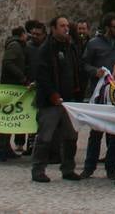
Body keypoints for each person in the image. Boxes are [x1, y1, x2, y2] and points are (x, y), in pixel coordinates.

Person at [31, 15, 84, 183]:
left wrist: (78, 92)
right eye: (62, 25)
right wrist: (52, 94)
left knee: (71, 136)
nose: (66, 28)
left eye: (67, 25)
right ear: (53, 28)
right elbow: (42, 75)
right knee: (45, 136)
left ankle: (68, 168)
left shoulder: (71, 47)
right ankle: (38, 169)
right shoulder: (46, 49)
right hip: (51, 100)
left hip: (69, 100)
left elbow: (77, 70)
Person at [80, 13, 115, 179]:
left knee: (114, 134)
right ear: (107, 27)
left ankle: (111, 168)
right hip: (99, 94)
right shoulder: (94, 44)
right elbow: (84, 64)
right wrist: (95, 72)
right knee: (95, 132)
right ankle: (89, 166)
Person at [0, 26, 31, 161]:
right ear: (22, 35)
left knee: (10, 118)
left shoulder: (17, 46)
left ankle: (5, 147)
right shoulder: (15, 46)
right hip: (11, 86)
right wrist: (21, 77)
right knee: (6, 118)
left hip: (13, 86)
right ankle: (1, 148)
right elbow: (7, 62)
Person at [19, 19, 46, 154]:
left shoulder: (47, 48)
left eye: (38, 34)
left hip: (43, 86)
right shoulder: (27, 48)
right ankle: (30, 144)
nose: (34, 36)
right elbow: (24, 65)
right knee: (29, 116)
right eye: (33, 34)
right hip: (29, 85)